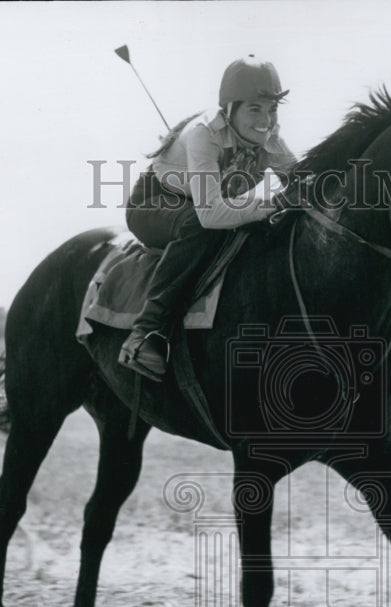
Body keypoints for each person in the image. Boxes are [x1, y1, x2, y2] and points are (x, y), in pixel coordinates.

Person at [120, 55, 297, 381]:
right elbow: (211, 215)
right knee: (201, 227)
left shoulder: (270, 136)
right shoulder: (204, 133)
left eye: (272, 109)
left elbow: (301, 181)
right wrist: (271, 205)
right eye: (254, 109)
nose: (266, 120)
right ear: (229, 109)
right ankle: (146, 332)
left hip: (203, 206)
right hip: (156, 204)